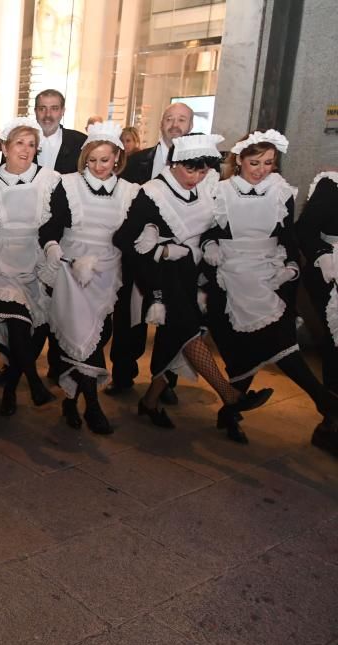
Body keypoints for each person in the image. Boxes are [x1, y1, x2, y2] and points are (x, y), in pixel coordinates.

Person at [112, 133, 273, 433]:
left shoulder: (208, 187)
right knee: (187, 330)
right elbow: (122, 238)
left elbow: (215, 226)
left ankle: (149, 401)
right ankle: (229, 394)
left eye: (202, 171)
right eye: (190, 169)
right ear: (174, 163)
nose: (196, 177)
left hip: (190, 273)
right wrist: (161, 248)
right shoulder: (152, 193)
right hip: (160, 276)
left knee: (176, 337)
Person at [203, 129, 338, 444]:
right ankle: (325, 402)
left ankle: (230, 411)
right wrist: (210, 246)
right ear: (239, 160)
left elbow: (288, 235)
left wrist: (292, 265)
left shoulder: (281, 191)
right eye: (255, 162)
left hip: (269, 275)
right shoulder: (220, 191)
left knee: (267, 343)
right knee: (265, 345)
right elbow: (206, 231)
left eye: (269, 162)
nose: (262, 169)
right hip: (231, 276)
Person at [39, 121, 139, 434]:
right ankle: (93, 408)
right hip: (72, 269)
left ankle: (71, 398)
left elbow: (130, 233)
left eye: (105, 160)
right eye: (93, 160)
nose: (98, 166)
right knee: (82, 340)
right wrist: (52, 245)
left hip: (108, 272)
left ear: (117, 159)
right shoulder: (66, 184)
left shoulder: (129, 192)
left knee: (97, 337)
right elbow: (51, 224)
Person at [0, 117, 59, 416]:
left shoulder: (50, 180)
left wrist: (53, 247)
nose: (26, 149)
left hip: (34, 258)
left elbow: (55, 222)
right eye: (19, 143)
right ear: (4, 146)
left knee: (29, 330)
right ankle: (33, 383)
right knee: (16, 322)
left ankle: (10, 388)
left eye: (32, 144)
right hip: (0, 260)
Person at [109, 102, 195, 403]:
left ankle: (164, 382)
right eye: (169, 118)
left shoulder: (199, 165)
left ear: (191, 124)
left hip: (175, 257)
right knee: (128, 317)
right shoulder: (137, 161)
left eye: (181, 119)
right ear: (160, 123)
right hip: (137, 253)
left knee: (170, 319)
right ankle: (122, 375)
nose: (175, 124)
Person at [297, 170, 338, 415]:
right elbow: (304, 230)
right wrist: (323, 255)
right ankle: (332, 418)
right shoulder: (332, 184)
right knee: (336, 340)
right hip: (330, 272)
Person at [33, 89, 88, 175]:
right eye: (42, 109)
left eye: (54, 109)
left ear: (63, 111)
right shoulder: (20, 142)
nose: (48, 114)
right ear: (35, 111)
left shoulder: (81, 142)